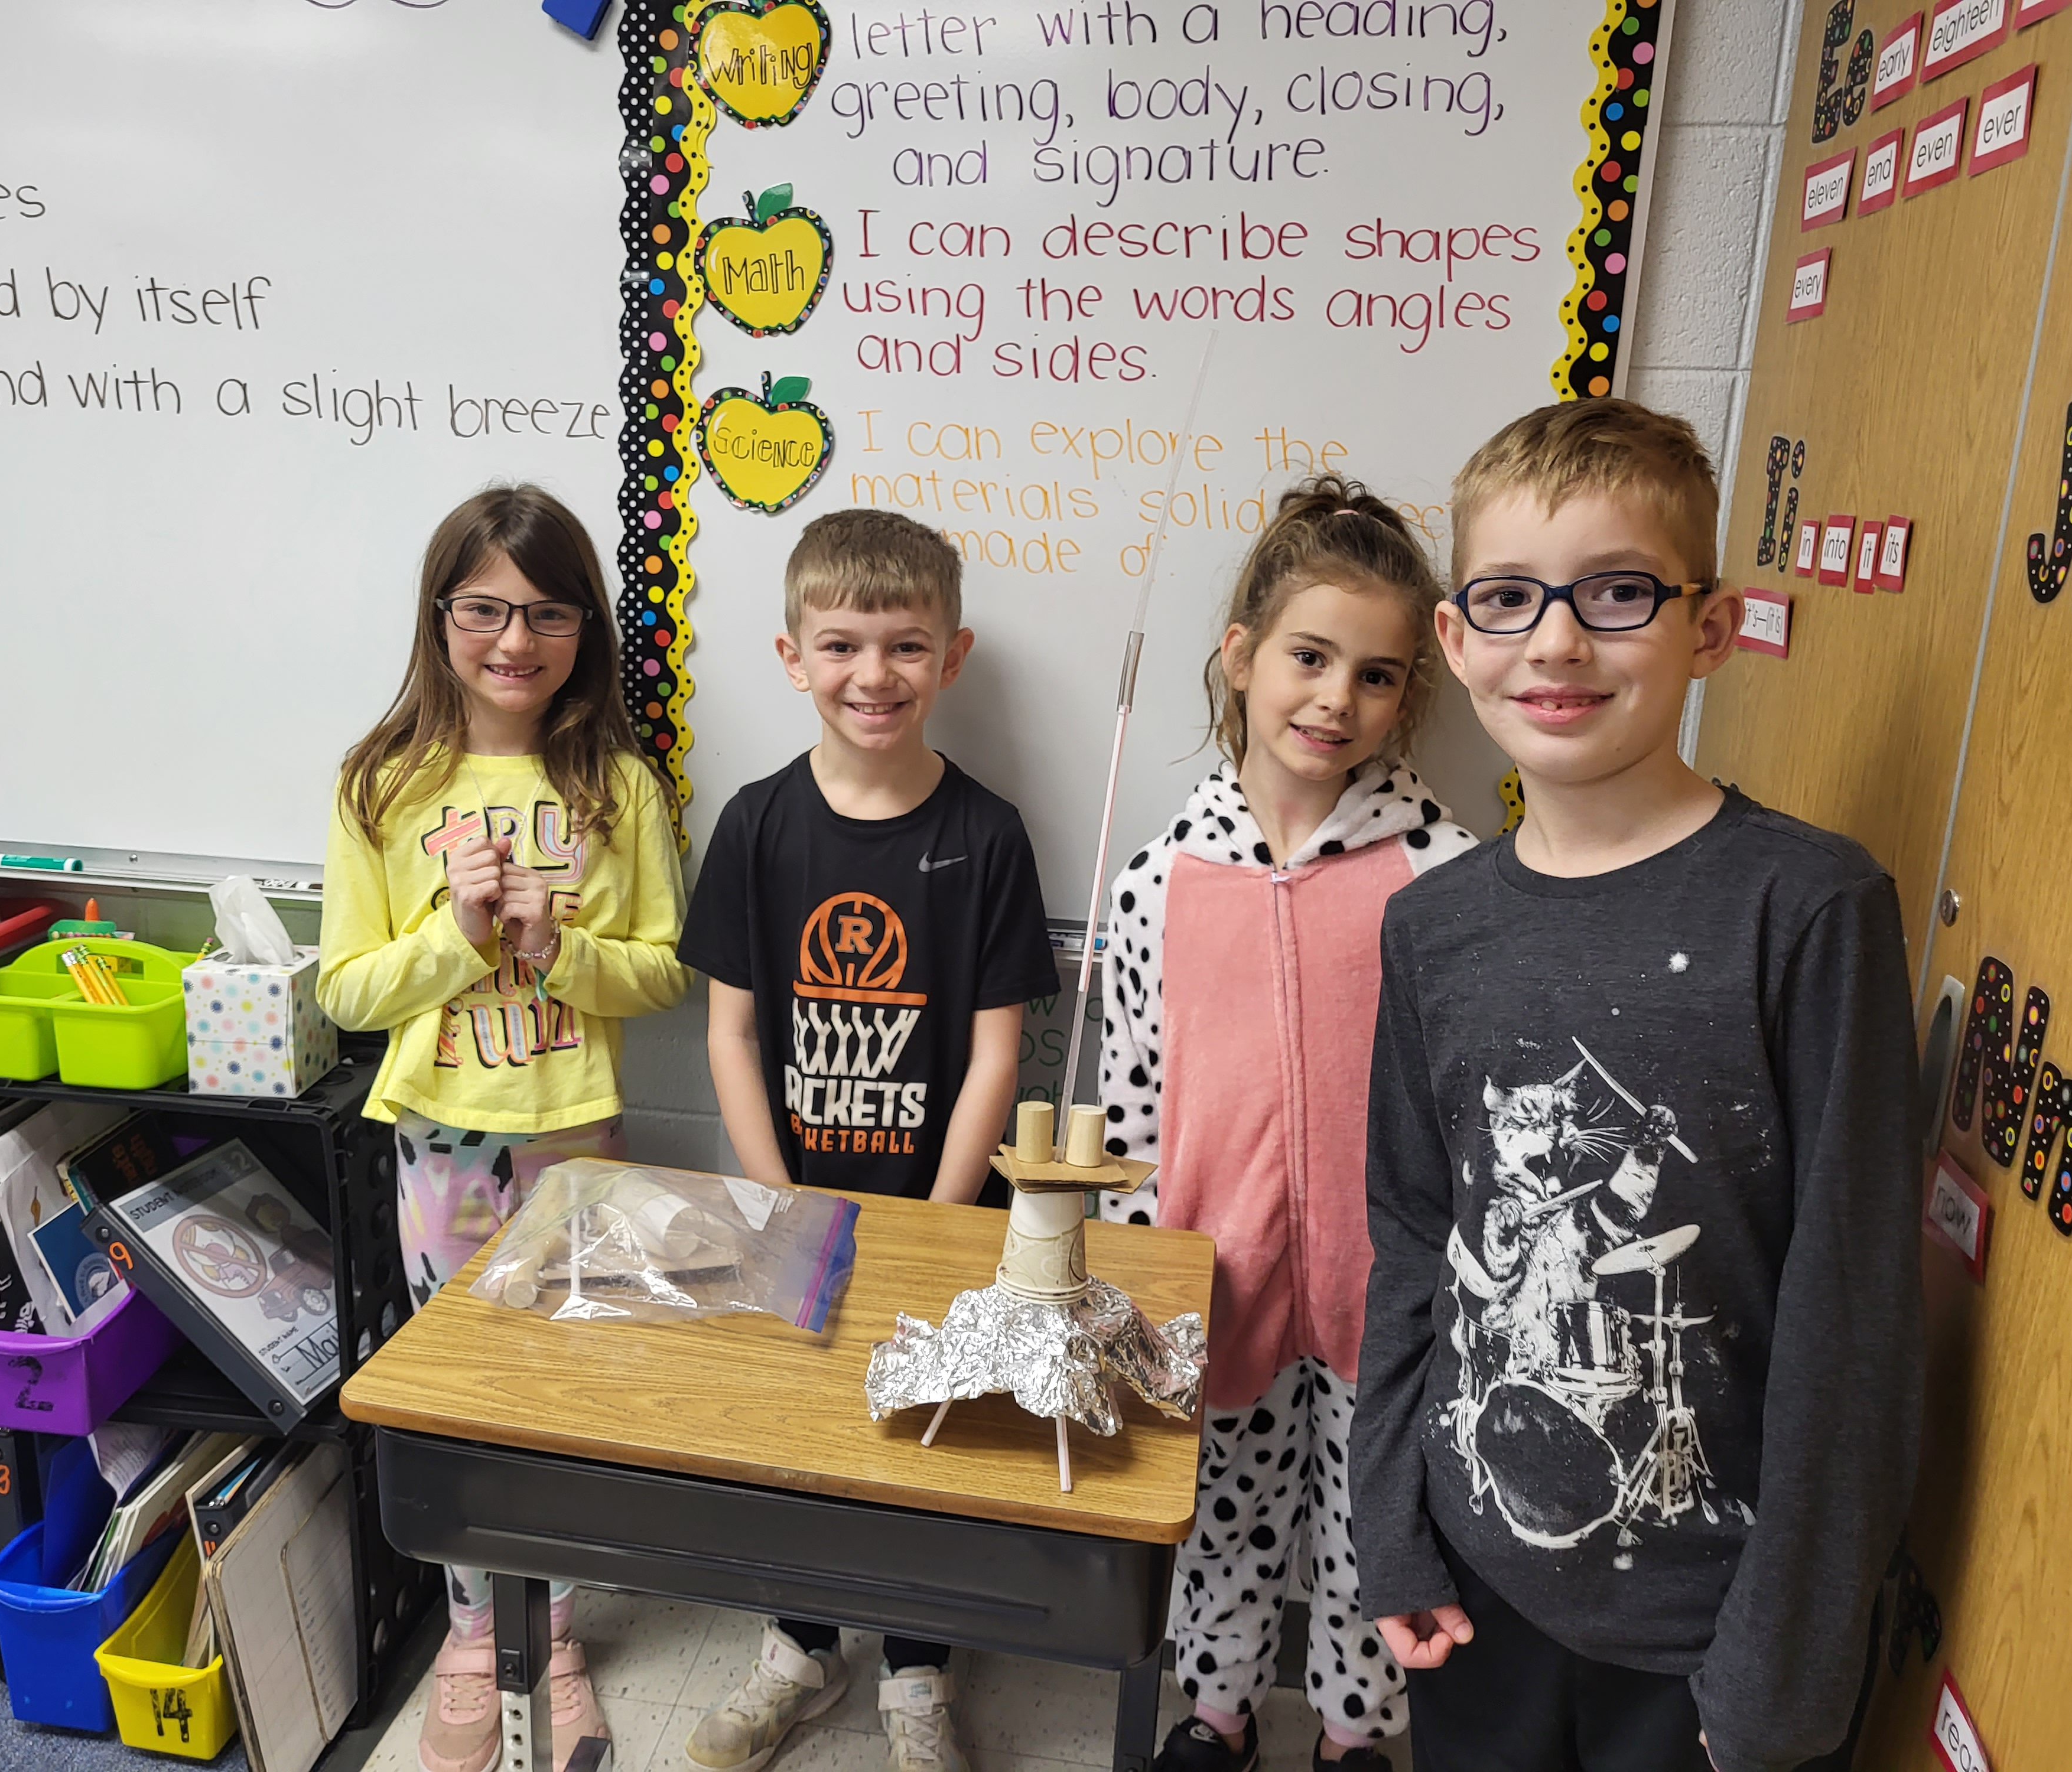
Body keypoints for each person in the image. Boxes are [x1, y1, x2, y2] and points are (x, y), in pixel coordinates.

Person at [1351, 400, 1923, 1772]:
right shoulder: (1431, 927)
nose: (1554, 642)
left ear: (1707, 627)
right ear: (1453, 639)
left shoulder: (1805, 906)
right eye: (1505, 599)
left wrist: (1778, 1678)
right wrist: (1389, 1532)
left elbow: (1851, 1320)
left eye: (1615, 593)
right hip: (1474, 1588)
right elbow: (1411, 1239)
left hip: (1707, 1641)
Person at [1095, 480, 1477, 1772]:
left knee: (1381, 1522)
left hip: (1389, 1293)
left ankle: (1356, 1735)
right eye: (1309, 659)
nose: (1335, 700)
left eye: (1375, 675)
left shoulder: (1443, 873)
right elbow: (1131, 1101)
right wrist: (1133, 1278)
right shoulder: (1161, 876)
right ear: (1241, 655)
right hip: (1217, 1279)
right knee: (1218, 1512)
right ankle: (1213, 1715)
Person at [679, 507, 1058, 1772]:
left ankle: (915, 1670)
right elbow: (731, 1036)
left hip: (941, 1210)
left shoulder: (989, 835)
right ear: (791, 658)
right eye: (840, 645)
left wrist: (936, 1223)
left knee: (925, 1441)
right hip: (791, 1206)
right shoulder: (752, 825)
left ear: (950, 658)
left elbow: (996, 1054)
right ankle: (798, 1649)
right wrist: (782, 1205)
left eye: (904, 645)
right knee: (795, 1438)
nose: (872, 675)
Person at [320, 483, 688, 1772]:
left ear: (584, 624)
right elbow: (347, 990)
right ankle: (476, 1639)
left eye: (544, 612)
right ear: (441, 617)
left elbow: (661, 974)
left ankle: (560, 1636)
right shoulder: (382, 783)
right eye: (484, 609)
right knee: (463, 1400)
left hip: (572, 1135)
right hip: (440, 1139)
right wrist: (456, 937)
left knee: (569, 1394)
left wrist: (559, 945)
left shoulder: (618, 786)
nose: (514, 640)